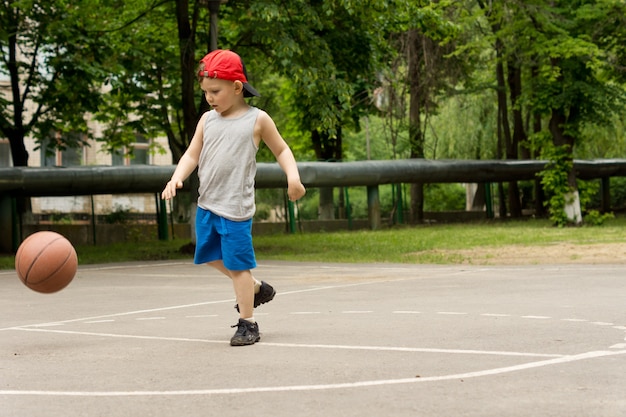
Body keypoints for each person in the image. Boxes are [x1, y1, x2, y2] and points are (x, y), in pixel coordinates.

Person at [161, 49, 306, 346]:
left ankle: (248, 323)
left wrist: (293, 177)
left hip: (236, 209)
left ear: (237, 87)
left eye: (215, 91)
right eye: (205, 93)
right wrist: (177, 177)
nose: (209, 98)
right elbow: (192, 154)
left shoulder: (258, 120)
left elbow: (281, 149)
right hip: (207, 204)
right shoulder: (207, 120)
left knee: (238, 266)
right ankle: (255, 288)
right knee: (210, 256)